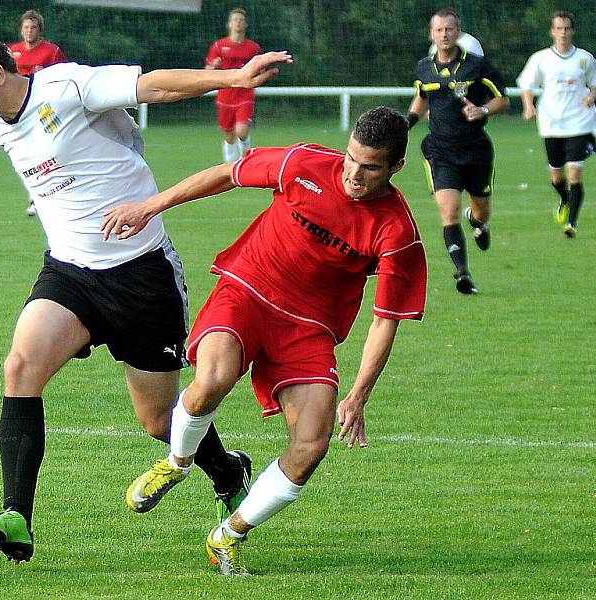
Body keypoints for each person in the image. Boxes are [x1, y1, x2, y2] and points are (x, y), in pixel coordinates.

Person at [0, 24, 292, 563]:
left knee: (157, 418)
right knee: (20, 367)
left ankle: (227, 470)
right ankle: (17, 517)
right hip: (70, 272)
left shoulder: (66, 87)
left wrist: (232, 78)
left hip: (141, 274)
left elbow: (155, 87)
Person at [102, 107, 427, 576]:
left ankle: (229, 534)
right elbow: (225, 175)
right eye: (351, 159)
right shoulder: (303, 163)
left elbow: (385, 320)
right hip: (248, 290)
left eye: (370, 167)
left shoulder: (396, 231)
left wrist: (358, 395)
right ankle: (176, 461)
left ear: (395, 168)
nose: (353, 174)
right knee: (212, 378)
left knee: (312, 444)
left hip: (309, 329)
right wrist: (149, 206)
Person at [407, 8, 509, 295]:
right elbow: (421, 98)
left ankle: (477, 222)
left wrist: (483, 109)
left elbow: (503, 100)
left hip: (475, 150)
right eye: (439, 30)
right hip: (441, 151)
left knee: (482, 210)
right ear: (432, 33)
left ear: (458, 31)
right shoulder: (424, 67)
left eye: (449, 29)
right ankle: (463, 273)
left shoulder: (477, 66)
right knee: (448, 211)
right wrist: (408, 122)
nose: (444, 34)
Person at [518, 10, 596, 239]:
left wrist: (591, 96)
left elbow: (595, 81)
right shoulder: (541, 58)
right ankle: (565, 198)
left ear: (572, 30)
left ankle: (571, 223)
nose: (563, 32)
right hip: (551, 123)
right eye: (559, 28)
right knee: (556, 177)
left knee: (575, 174)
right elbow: (527, 84)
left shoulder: (585, 58)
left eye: (567, 28)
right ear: (552, 32)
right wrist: (528, 106)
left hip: (579, 122)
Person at [7, 10, 67, 216]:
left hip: (45, 109)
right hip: (20, 112)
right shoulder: (12, 51)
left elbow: (64, 75)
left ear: (39, 30)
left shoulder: (51, 51)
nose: (29, 31)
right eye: (26, 27)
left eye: (33, 27)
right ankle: (36, 197)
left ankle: (49, 196)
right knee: (27, 154)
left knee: (49, 150)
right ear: (21, 30)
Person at [205, 8, 262, 163]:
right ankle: (230, 165)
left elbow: (260, 68)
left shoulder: (253, 48)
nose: (238, 22)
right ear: (229, 24)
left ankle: (246, 159)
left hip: (245, 93)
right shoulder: (219, 46)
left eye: (241, 20)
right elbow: (207, 70)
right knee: (229, 135)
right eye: (235, 20)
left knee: (242, 131)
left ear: (246, 24)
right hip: (225, 94)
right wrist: (214, 66)